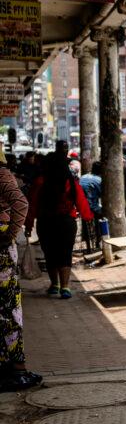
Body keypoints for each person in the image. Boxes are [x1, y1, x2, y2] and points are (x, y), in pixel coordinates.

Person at [26, 152, 94, 299]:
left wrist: (28, 225)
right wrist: (88, 217)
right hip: (66, 223)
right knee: (65, 254)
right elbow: (81, 202)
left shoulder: (40, 182)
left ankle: (55, 285)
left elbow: (32, 205)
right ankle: (65, 287)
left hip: (46, 223)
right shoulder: (71, 182)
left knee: (50, 254)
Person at [0, 150, 40, 392]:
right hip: (2, 252)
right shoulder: (3, 175)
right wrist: (9, 234)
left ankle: (15, 368)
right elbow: (21, 203)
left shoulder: (2, 175)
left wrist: (9, 234)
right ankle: (14, 369)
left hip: (2, 252)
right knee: (7, 308)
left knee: (7, 308)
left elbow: (20, 203)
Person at [79, 162, 104, 250]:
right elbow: (102, 194)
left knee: (85, 221)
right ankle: (98, 240)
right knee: (102, 218)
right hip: (93, 206)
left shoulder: (83, 177)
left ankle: (86, 239)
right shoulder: (99, 180)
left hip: (81, 206)